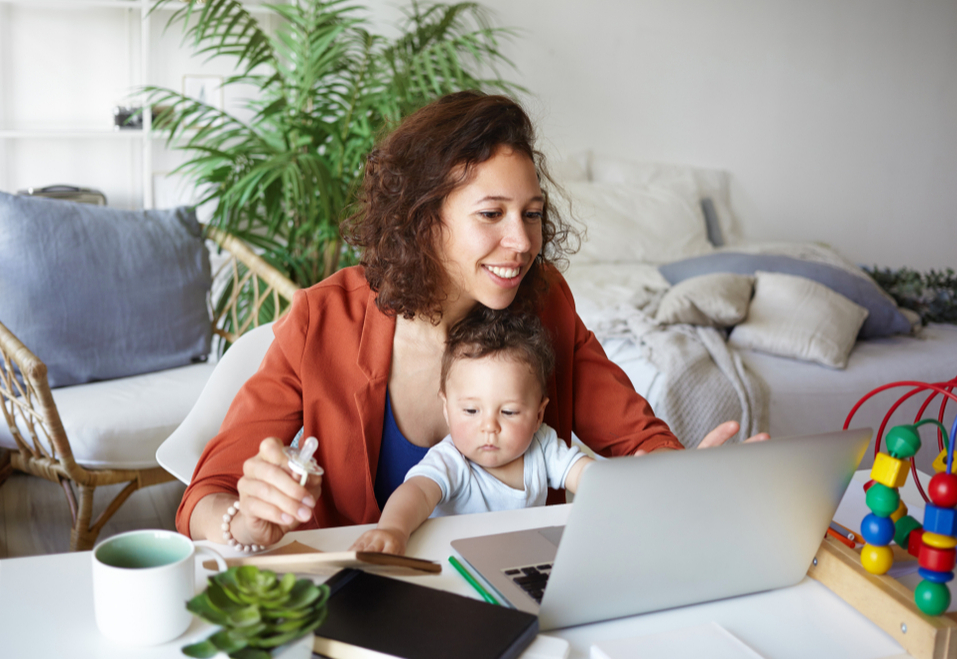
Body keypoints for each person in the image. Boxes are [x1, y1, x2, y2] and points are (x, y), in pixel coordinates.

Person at [177, 91, 760, 549]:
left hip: (511, 586)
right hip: (363, 598)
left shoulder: (546, 302)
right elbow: (207, 496)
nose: (522, 241)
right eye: (491, 213)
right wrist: (244, 523)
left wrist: (686, 478)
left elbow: (635, 439)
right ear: (424, 218)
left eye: (532, 214)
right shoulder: (322, 318)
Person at [351, 307, 593, 555]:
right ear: (447, 409)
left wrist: (620, 489)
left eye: (508, 412)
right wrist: (393, 529)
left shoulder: (542, 446)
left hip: (517, 563)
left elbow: (587, 475)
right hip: (453, 565)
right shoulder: (452, 460)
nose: (489, 426)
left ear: (538, 415)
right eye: (470, 411)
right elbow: (417, 492)